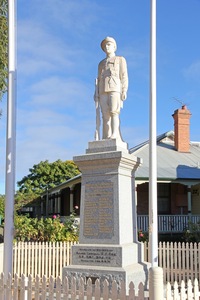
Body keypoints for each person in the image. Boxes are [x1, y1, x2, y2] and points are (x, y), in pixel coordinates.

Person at [94, 37, 128, 140]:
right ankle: (106, 135)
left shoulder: (120, 60)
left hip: (115, 88)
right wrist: (96, 93)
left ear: (114, 46)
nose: (106, 47)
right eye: (105, 46)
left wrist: (124, 90)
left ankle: (115, 134)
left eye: (109, 44)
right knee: (105, 114)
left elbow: (124, 76)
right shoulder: (101, 64)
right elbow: (99, 79)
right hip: (103, 90)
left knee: (114, 111)